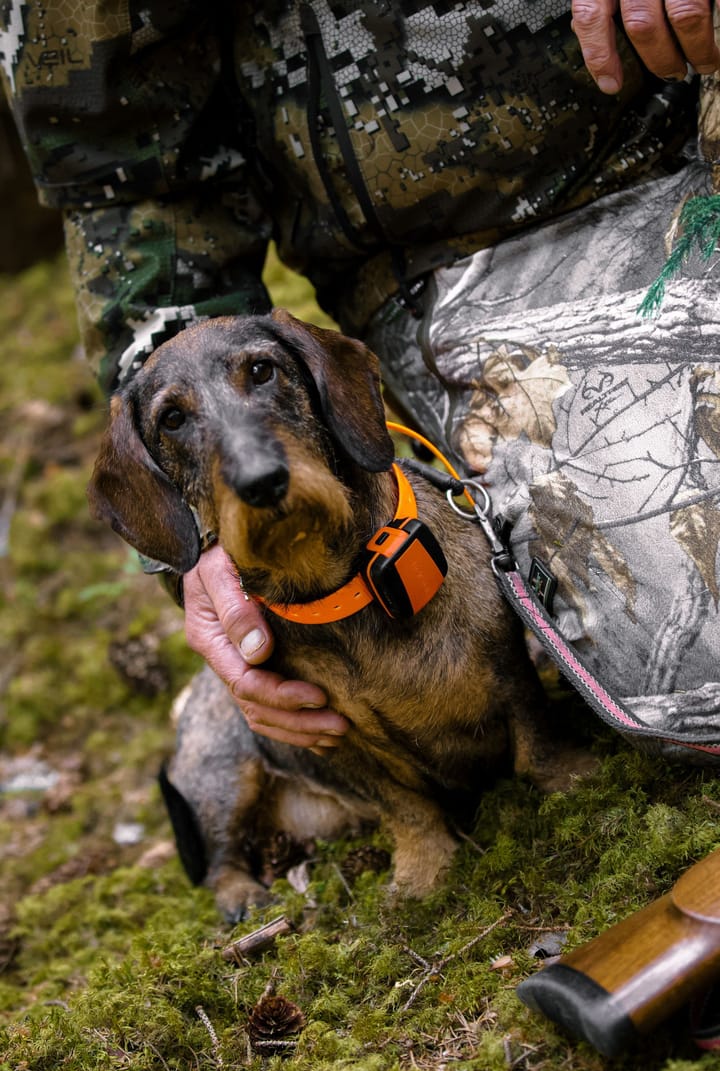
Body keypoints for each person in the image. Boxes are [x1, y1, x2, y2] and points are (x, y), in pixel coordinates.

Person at [2, 0, 719, 756]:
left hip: (692, 91)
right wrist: (192, 528)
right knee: (701, 671)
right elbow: (124, 168)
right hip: (484, 243)